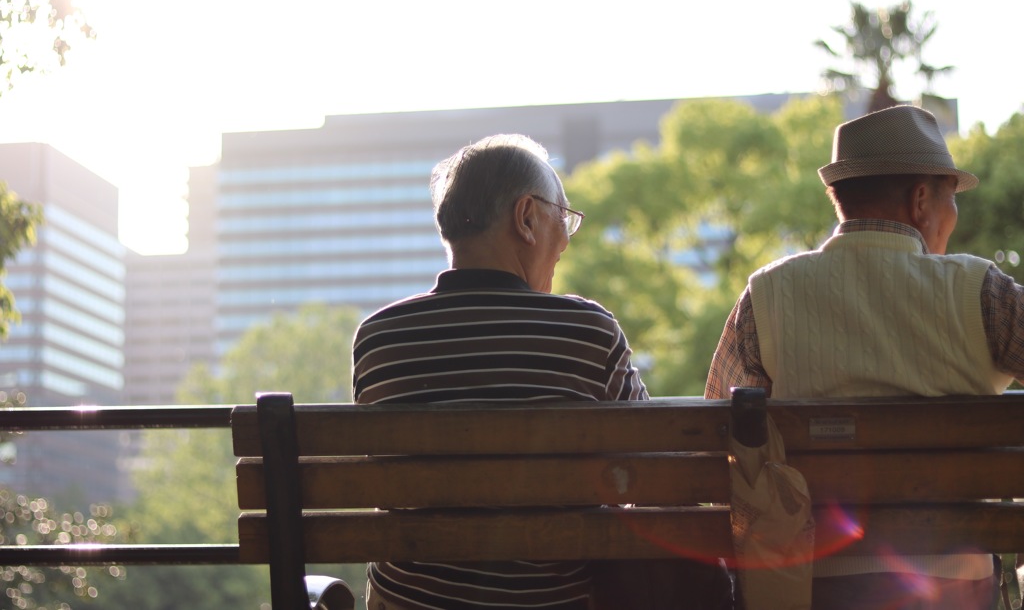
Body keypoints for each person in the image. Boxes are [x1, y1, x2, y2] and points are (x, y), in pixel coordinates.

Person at [705, 104, 1024, 609]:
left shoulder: (766, 296)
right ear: (921, 199)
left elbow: (719, 430)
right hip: (954, 587)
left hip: (819, 584)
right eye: (951, 201)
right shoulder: (982, 293)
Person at [352, 134, 659, 610]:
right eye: (565, 219)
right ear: (527, 218)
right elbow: (652, 470)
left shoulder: (379, 337)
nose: (565, 242)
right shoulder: (588, 331)